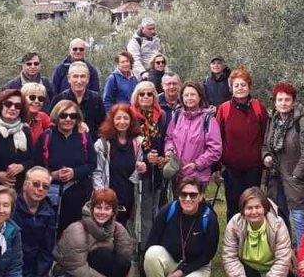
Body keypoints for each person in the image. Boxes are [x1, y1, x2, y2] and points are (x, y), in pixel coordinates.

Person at [143, 176, 220, 277]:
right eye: (183, 194)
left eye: (193, 195)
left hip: (197, 264)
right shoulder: (168, 211)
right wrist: (144, 274)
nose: (188, 198)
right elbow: (152, 241)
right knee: (152, 252)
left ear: (201, 196)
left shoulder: (209, 218)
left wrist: (183, 271)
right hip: (172, 259)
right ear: (178, 195)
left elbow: (208, 255)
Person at [223, 187, 298, 277]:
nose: (254, 212)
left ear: (264, 208)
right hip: (249, 268)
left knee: (285, 272)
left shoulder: (278, 225)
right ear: (242, 210)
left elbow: (282, 262)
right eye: (249, 208)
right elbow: (230, 258)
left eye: (258, 207)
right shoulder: (234, 224)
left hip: (275, 267)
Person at [56, 188, 136, 277]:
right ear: (91, 208)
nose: (102, 212)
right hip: (71, 276)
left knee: (121, 261)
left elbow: (129, 259)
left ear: (113, 212)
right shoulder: (77, 229)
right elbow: (77, 268)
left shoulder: (118, 229)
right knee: (102, 255)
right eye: (98, 207)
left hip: (96, 272)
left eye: (107, 208)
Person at [217, 68, 269, 219]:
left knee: (253, 207)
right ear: (231, 88)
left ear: (249, 87)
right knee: (233, 208)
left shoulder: (259, 108)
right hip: (231, 170)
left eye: (243, 85)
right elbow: (217, 138)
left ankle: (253, 238)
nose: (240, 88)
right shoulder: (224, 109)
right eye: (236, 85)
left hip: (254, 169)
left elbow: (266, 135)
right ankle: (233, 240)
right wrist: (217, 167)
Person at [262, 81, 304, 244]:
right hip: (275, 178)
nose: (283, 103)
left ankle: (303, 257)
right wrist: (266, 157)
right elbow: (265, 146)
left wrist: (297, 174)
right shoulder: (273, 121)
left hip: (294, 179)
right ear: (275, 102)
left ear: (293, 102)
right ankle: (286, 255)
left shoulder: (301, 122)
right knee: (279, 218)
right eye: (280, 100)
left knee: (299, 218)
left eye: (287, 100)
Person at [12, 166, 64, 277]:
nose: (40, 189)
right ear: (25, 185)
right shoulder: (10, 207)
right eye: (36, 184)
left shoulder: (49, 211)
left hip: (34, 269)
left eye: (45, 186)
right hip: (13, 269)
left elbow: (47, 250)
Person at [43, 99, 96, 234]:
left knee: (77, 232)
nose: (68, 119)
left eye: (73, 116)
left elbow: (92, 163)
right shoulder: (47, 136)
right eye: (63, 115)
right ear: (56, 116)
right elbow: (36, 164)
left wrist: (75, 172)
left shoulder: (83, 136)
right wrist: (52, 175)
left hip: (79, 191)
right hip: (52, 192)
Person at [131, 81, 171, 251]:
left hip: (157, 169)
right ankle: (142, 247)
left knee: (155, 208)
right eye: (142, 94)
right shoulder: (129, 115)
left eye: (149, 94)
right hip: (138, 169)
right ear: (136, 96)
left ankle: (155, 244)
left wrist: (163, 157)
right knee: (140, 212)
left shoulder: (161, 116)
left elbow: (166, 139)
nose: (146, 97)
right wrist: (146, 158)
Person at [165, 82, 222, 187]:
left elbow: (215, 149)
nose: (189, 98)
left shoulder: (208, 119)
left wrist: (197, 164)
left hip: (198, 177)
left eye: (193, 94)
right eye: (186, 95)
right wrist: (169, 152)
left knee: (195, 203)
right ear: (182, 98)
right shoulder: (178, 116)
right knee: (178, 202)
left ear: (200, 97)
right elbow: (169, 138)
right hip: (177, 173)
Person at [94, 103, 140, 227]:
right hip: (108, 196)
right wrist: (101, 195)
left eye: (126, 118)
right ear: (112, 120)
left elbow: (137, 170)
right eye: (118, 118)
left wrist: (141, 167)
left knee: (123, 229)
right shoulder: (102, 144)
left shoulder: (137, 143)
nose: (122, 122)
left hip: (128, 195)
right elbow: (97, 172)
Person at [0, 90, 37, 192]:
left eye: (17, 106)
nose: (12, 108)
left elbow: (33, 160)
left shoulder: (25, 131)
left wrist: (22, 166)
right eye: (8, 104)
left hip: (20, 190)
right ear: (0, 105)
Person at [58, 62, 105, 134]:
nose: (79, 81)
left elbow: (103, 124)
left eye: (82, 76)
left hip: (92, 143)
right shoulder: (60, 99)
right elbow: (52, 124)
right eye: (75, 76)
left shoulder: (96, 99)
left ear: (88, 79)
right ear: (69, 79)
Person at [19, 82, 53, 150]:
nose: (37, 101)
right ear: (23, 99)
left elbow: (57, 129)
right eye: (32, 97)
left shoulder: (42, 117)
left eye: (41, 99)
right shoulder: (16, 116)